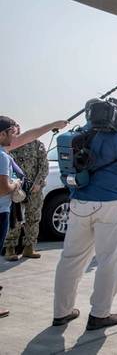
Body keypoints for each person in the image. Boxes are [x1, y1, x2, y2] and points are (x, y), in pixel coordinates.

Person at [52, 112, 117, 330]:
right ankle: (99, 314)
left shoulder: (80, 135)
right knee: (109, 260)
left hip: (79, 202)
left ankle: (61, 312)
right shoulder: (114, 138)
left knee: (71, 258)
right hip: (111, 203)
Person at [4, 123, 48, 261]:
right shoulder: (9, 146)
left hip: (34, 189)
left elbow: (44, 166)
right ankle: (10, 248)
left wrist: (37, 183)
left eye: (17, 126)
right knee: (14, 219)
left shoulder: (37, 144)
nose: (16, 128)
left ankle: (29, 247)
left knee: (33, 218)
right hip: (15, 188)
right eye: (13, 127)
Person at [0, 117, 24, 319]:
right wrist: (15, 185)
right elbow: (2, 188)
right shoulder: (2, 157)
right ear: (2, 134)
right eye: (12, 133)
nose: (14, 136)